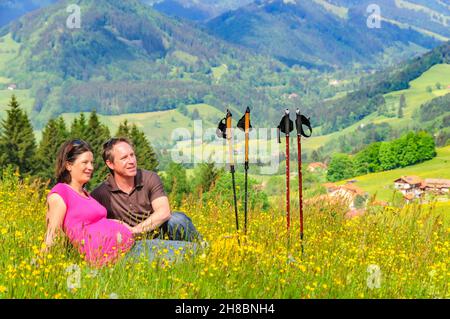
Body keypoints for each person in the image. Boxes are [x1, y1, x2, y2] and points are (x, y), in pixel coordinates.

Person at [43, 139, 197, 267]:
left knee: (192, 248)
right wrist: (43, 263)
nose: (90, 167)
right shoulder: (61, 193)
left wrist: (117, 224)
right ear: (69, 165)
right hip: (116, 254)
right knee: (194, 253)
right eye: (85, 163)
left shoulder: (86, 195)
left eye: (91, 162)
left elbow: (92, 222)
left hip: (129, 246)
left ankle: (212, 255)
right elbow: (53, 234)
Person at [90, 137, 202, 244]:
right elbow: (93, 225)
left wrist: (135, 231)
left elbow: (164, 211)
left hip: (159, 236)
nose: (131, 161)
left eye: (132, 155)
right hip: (130, 244)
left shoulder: (149, 178)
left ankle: (202, 250)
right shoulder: (100, 193)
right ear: (110, 164)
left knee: (177, 219)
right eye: (124, 158)